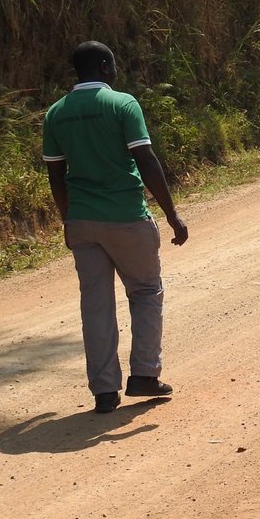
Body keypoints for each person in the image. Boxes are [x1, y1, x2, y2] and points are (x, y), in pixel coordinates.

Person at [42, 41, 189, 413]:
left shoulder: (56, 114)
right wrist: (172, 214)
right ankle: (143, 376)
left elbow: (56, 177)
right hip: (126, 217)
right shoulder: (122, 104)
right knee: (145, 292)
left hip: (83, 222)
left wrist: (67, 219)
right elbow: (146, 159)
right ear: (106, 66)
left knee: (96, 306)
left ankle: (104, 392)